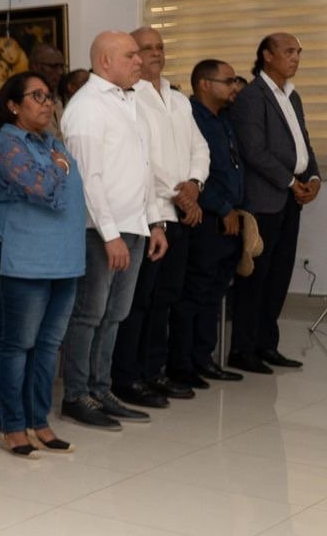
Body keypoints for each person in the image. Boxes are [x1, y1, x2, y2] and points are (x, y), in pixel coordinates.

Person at [59, 31, 168, 431]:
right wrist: (109, 234)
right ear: (105, 61)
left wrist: (154, 221)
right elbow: (88, 179)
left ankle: (101, 388)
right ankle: (76, 394)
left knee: (115, 313)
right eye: (131, 55)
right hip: (100, 231)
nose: (139, 61)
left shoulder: (130, 99)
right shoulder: (87, 107)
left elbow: (145, 166)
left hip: (133, 224)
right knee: (90, 313)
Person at [0, 72, 84, 457]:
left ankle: (38, 421)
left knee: (47, 346)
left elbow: (66, 192)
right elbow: (41, 188)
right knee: (17, 344)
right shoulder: (6, 145)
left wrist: (55, 166)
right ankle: (12, 427)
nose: (47, 103)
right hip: (22, 261)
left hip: (63, 259)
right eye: (36, 96)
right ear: (13, 105)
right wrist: (58, 169)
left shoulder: (52, 143)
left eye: (49, 96)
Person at [111, 27, 210, 406]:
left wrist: (195, 184)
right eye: (144, 49)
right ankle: (128, 376)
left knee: (167, 297)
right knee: (139, 300)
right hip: (150, 212)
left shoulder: (177, 98)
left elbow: (199, 147)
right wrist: (179, 193)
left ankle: (155, 371)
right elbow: (142, 160)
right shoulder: (129, 99)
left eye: (158, 47)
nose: (153, 54)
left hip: (184, 210)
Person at [227, 33, 319, 374]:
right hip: (265, 200)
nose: (295, 57)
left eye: (299, 51)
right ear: (267, 55)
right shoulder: (253, 96)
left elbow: (303, 142)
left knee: (280, 275)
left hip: (290, 198)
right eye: (289, 51)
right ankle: (243, 348)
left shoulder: (291, 96)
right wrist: (291, 181)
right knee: (257, 276)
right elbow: (254, 150)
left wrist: (314, 178)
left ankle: (267, 344)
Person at [167, 59, 247, 387]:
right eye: (227, 81)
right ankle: (182, 364)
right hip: (206, 219)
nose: (233, 87)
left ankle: (204, 358)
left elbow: (233, 167)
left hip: (230, 217)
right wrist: (222, 206)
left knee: (214, 294)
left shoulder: (223, 118)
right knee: (194, 293)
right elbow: (194, 172)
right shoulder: (190, 117)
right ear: (204, 84)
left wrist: (241, 209)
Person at [28, 43, 69, 138]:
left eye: (61, 67)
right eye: (53, 66)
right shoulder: (24, 100)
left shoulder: (57, 100)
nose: (60, 72)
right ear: (35, 66)